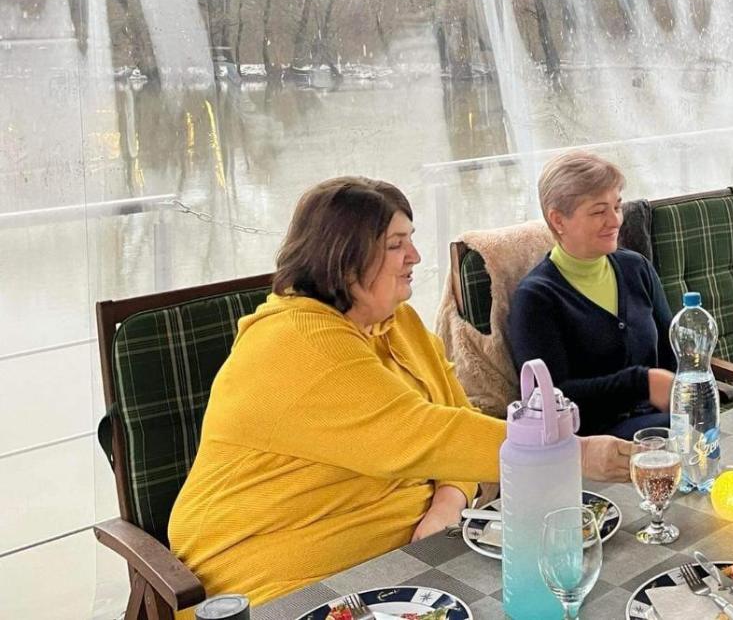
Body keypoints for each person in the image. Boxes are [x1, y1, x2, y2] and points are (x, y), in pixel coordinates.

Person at [168, 177, 633, 607]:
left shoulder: (398, 321)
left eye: (410, 239)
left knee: (578, 586)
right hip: (279, 585)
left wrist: (449, 500)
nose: (415, 256)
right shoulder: (297, 342)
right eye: (396, 244)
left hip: (416, 563)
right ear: (342, 258)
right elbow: (422, 435)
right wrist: (571, 453)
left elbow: (456, 421)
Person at [508, 150, 677, 437]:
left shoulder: (637, 269)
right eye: (599, 211)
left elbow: (673, 355)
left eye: (617, 206)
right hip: (592, 443)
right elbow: (549, 400)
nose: (615, 221)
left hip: (660, 429)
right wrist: (641, 384)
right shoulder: (536, 298)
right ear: (558, 220)